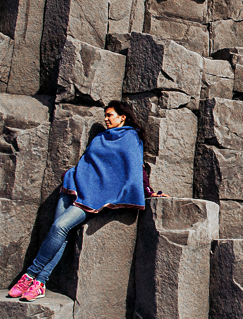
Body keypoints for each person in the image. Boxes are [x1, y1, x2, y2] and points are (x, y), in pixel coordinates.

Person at [8, 101, 148, 301]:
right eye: (105, 116)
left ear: (122, 117)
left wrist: (147, 190)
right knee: (60, 233)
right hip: (74, 184)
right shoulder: (100, 138)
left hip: (95, 194)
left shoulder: (131, 138)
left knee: (59, 226)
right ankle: (40, 283)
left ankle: (29, 274)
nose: (106, 119)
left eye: (110, 115)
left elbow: (135, 167)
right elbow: (89, 162)